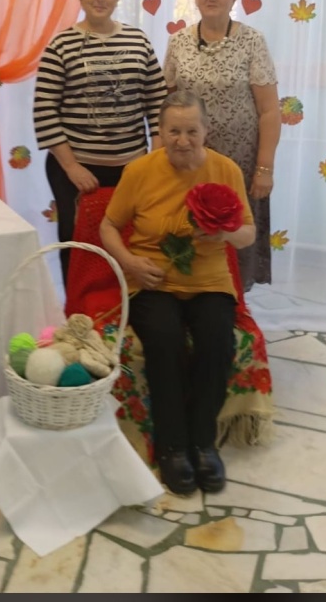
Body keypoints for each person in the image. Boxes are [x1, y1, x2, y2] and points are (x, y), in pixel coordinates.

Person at [99, 90, 255, 495]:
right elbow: (108, 226)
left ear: (206, 130)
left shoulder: (225, 170)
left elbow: (248, 233)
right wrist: (130, 262)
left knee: (216, 340)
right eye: (173, 131)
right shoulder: (139, 171)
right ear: (161, 131)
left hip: (209, 281)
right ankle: (172, 447)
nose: (182, 141)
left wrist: (224, 233)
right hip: (153, 280)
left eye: (191, 131)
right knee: (164, 340)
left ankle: (202, 444)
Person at [33, 0, 167, 287]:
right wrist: (72, 167)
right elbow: (45, 110)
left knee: (131, 238)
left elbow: (157, 102)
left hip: (131, 169)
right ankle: (78, 307)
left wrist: (154, 158)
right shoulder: (61, 45)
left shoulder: (137, 41)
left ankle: (125, 305)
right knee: (76, 241)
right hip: (75, 170)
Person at [163, 0, 280, 291]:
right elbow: (166, 103)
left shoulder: (252, 41)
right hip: (188, 160)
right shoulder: (178, 41)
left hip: (239, 165)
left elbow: (269, 111)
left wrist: (264, 168)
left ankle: (234, 305)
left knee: (234, 233)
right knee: (188, 233)